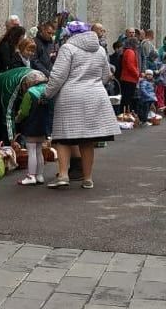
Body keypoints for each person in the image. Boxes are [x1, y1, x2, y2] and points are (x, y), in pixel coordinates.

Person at [43, 21, 119, 189]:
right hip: (95, 96)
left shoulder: (68, 49)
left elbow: (58, 76)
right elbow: (107, 75)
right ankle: (87, 178)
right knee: (87, 140)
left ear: (69, 34)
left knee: (63, 138)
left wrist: (46, 94)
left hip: (71, 97)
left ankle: (63, 175)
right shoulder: (99, 50)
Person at [14, 70, 50, 185]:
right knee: (39, 151)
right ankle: (39, 175)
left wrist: (17, 118)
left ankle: (31, 176)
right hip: (43, 125)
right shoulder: (48, 90)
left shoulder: (30, 92)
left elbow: (24, 112)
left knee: (32, 151)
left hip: (31, 125)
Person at [117, 33, 140, 113]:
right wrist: (137, 74)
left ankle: (126, 113)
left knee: (127, 98)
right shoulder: (130, 52)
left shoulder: (128, 51)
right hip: (129, 78)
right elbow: (130, 65)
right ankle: (126, 114)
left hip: (128, 78)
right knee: (127, 98)